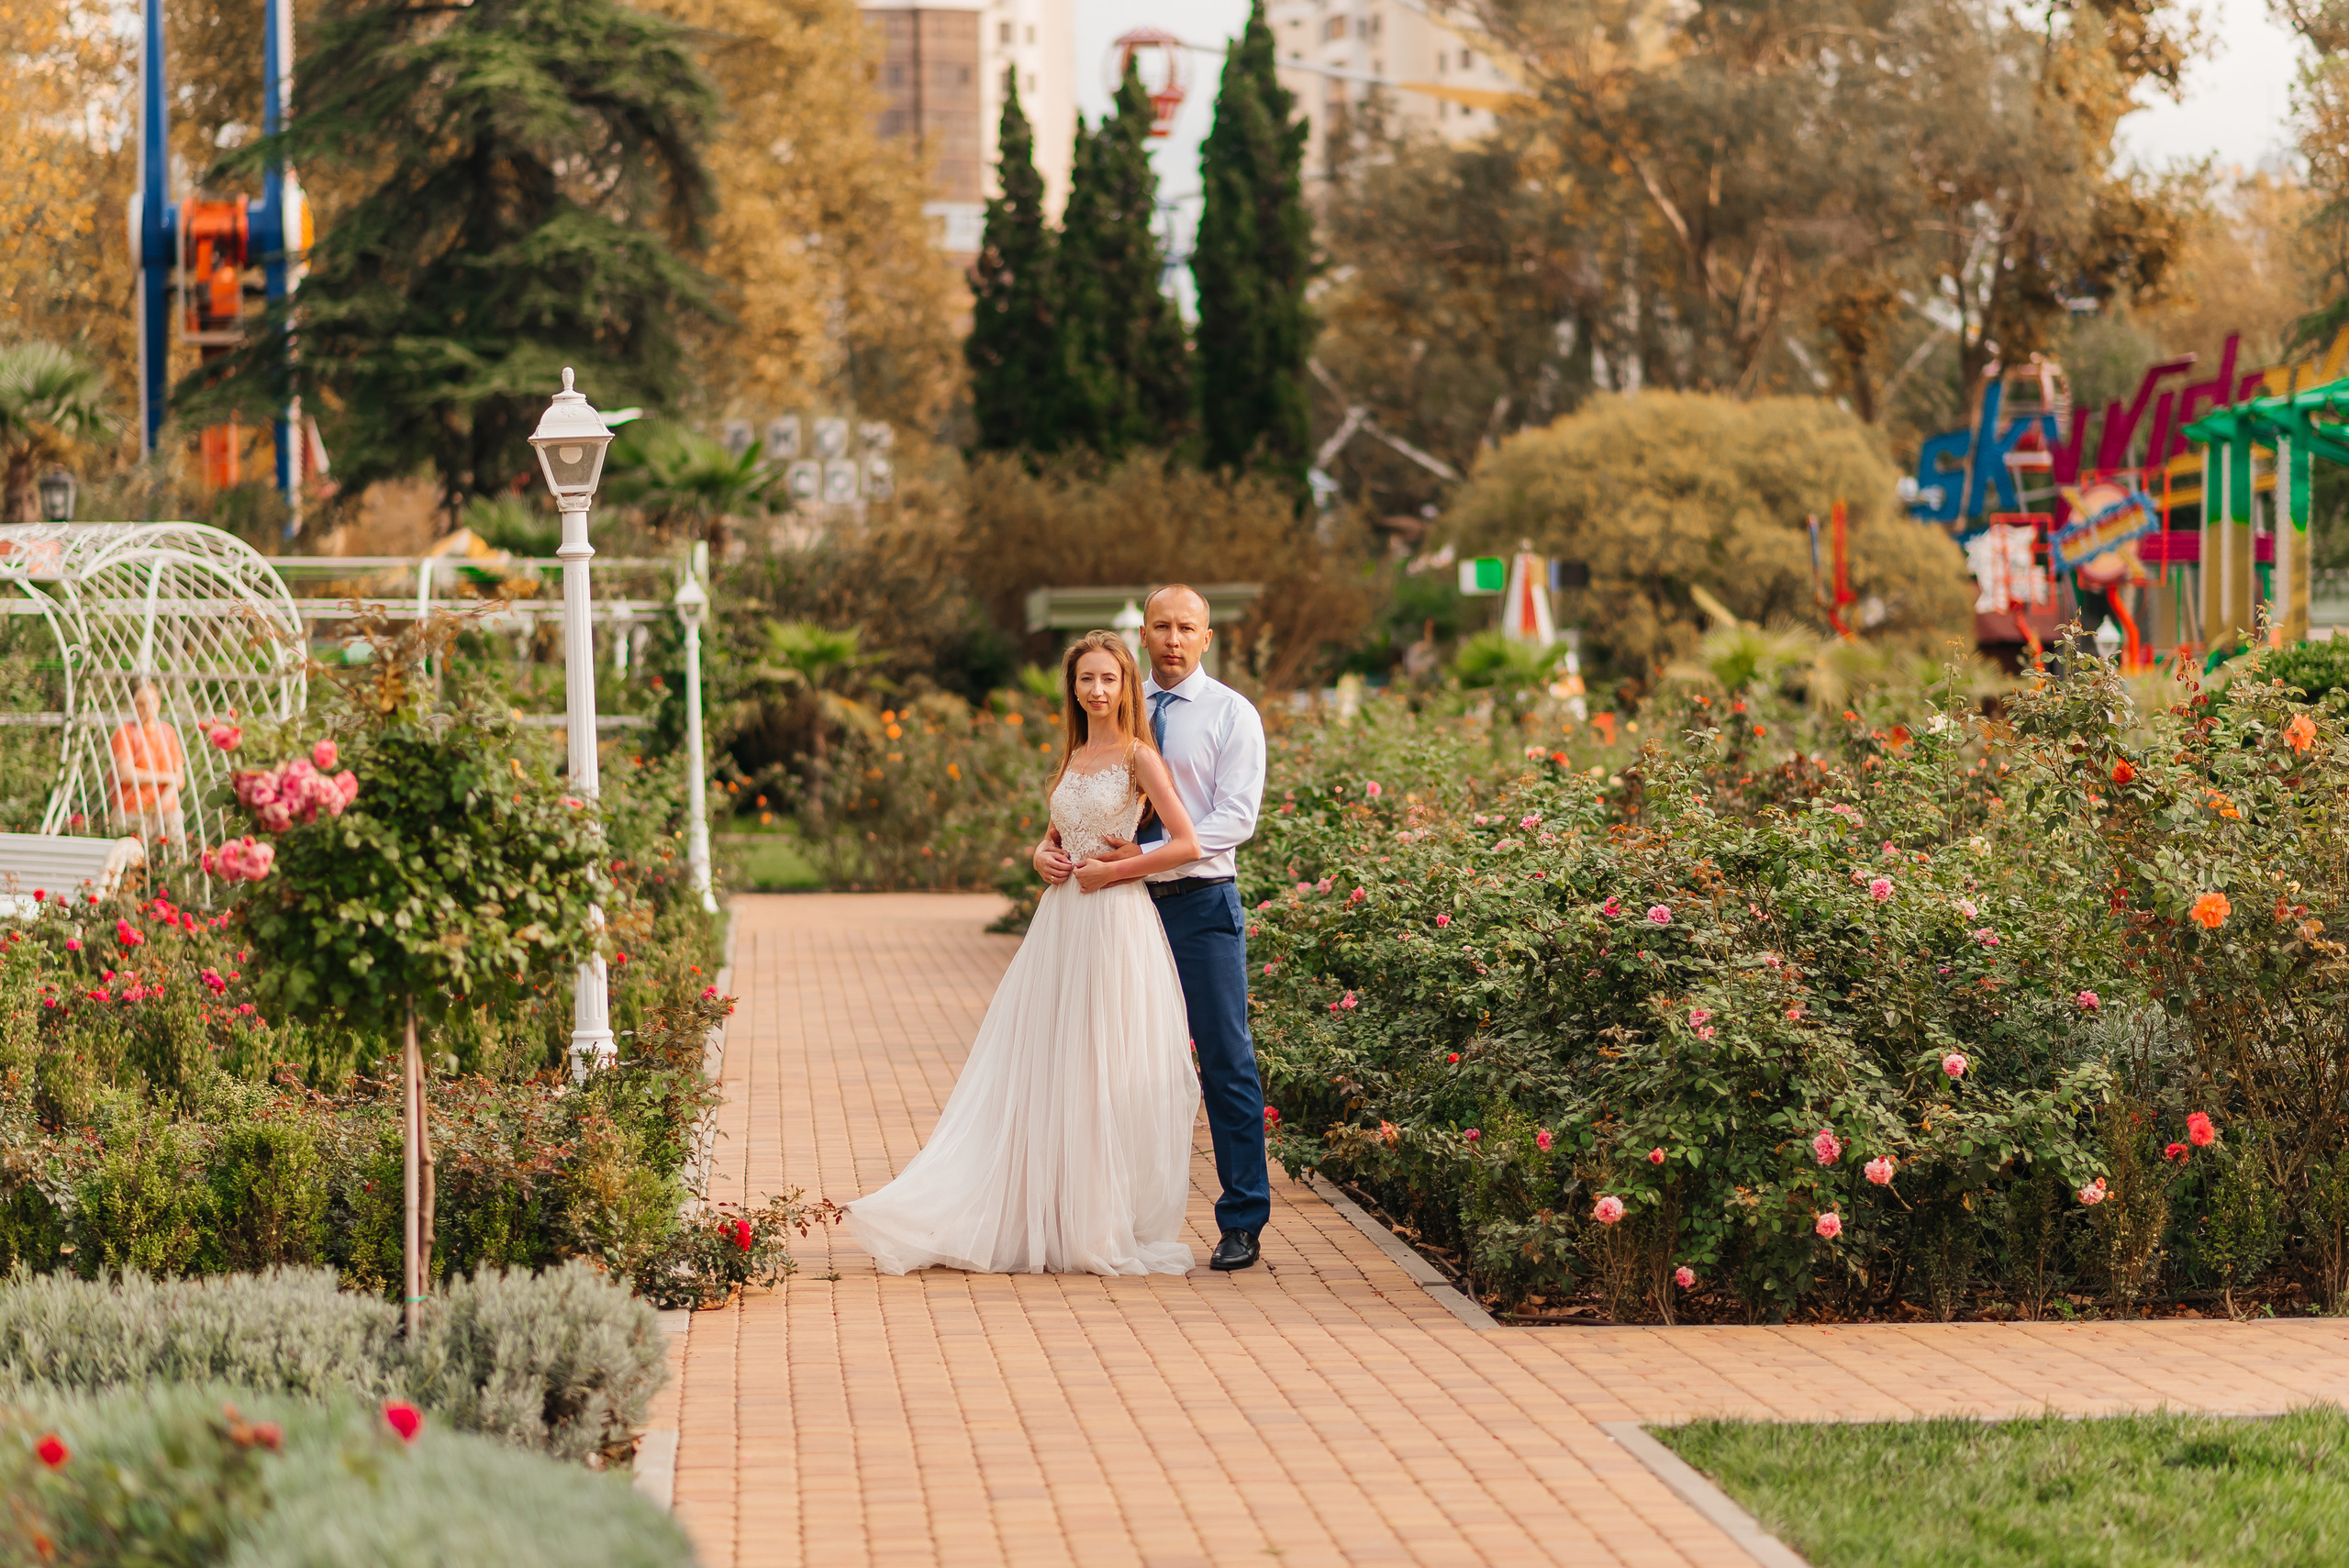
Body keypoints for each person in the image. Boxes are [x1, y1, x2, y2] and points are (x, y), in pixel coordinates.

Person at [845, 630, 1206, 1275]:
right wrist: (1039, 855)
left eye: (1109, 679)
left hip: (1113, 922)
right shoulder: (1073, 754)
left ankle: (1095, 1223)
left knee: (1098, 1062)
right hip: (1062, 924)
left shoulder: (1139, 757)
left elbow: (1186, 844)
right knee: (1050, 1062)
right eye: (1086, 679)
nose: (1097, 690)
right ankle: (1046, 1209)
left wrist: (1118, 872)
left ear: (1126, 685)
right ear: (1073, 687)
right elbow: (1055, 836)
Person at [1036, 584, 1271, 1272]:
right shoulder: (1111, 726)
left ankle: (1242, 1219)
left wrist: (1147, 851)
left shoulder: (1232, 714)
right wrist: (1045, 851)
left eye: (1186, 627)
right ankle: (1108, 1213)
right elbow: (1075, 811)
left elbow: (1237, 818)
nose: (1173, 638)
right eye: (1162, 625)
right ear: (1143, 633)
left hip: (1196, 903)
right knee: (1108, 1059)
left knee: (1225, 1057)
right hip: (1114, 914)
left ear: (1205, 637)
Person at [107, 681, 187, 846]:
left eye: (151, 702)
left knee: (174, 856)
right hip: (134, 811)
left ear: (158, 702)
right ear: (134, 705)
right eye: (141, 704)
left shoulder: (168, 732)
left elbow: (180, 778)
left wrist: (164, 798)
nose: (147, 708)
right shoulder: (125, 732)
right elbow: (126, 773)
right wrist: (166, 778)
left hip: (167, 812)